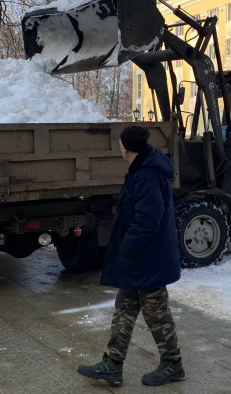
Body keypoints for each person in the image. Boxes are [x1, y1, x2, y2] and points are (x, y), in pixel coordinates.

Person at [77, 125, 185, 387]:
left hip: (149, 259)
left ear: (126, 147)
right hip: (142, 258)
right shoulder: (143, 169)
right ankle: (113, 365)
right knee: (124, 309)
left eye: (120, 143)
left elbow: (148, 220)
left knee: (156, 313)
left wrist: (127, 249)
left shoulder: (147, 174)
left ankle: (173, 364)